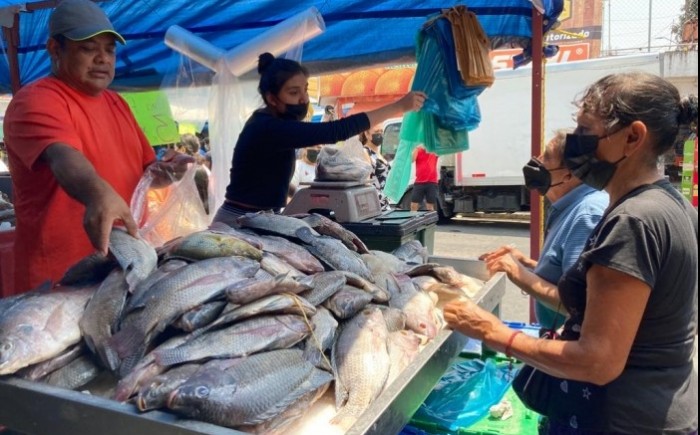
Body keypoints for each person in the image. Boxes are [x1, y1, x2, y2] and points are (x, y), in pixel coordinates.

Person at [444, 72, 698, 433]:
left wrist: (495, 333)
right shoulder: (673, 204)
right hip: (661, 406)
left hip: (621, 420)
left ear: (633, 137)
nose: (575, 142)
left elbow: (598, 361)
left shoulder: (634, 220)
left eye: (585, 129)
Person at [2, 0, 189, 292]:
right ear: (55, 49)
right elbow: (63, 156)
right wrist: (97, 194)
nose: (103, 58)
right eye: (88, 48)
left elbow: (144, 172)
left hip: (122, 269)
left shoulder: (117, 102)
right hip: (57, 282)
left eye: (110, 49)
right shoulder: (36, 100)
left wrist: (168, 172)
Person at [212, 53, 425, 225]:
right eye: (294, 93)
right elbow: (335, 131)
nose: (304, 99)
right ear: (271, 98)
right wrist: (398, 107)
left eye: (305, 90)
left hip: (261, 218)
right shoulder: (267, 127)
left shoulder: (274, 122)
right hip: (237, 222)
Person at [479, 129, 609, 331]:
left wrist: (517, 273)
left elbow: (577, 305)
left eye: (547, 156)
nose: (538, 161)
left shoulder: (587, 215)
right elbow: (566, 276)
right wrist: (526, 263)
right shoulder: (571, 207)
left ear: (567, 175)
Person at [359, 126, 392, 211]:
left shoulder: (378, 153)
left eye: (381, 131)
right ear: (367, 134)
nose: (380, 134)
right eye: (377, 132)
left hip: (384, 201)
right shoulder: (365, 152)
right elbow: (366, 182)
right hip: (375, 203)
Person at [410, 145, 439, 211]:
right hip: (419, 182)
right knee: (413, 205)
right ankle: (414, 220)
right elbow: (411, 160)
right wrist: (417, 148)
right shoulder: (418, 149)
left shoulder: (434, 150)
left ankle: (431, 221)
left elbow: (439, 151)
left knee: (430, 206)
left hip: (432, 182)